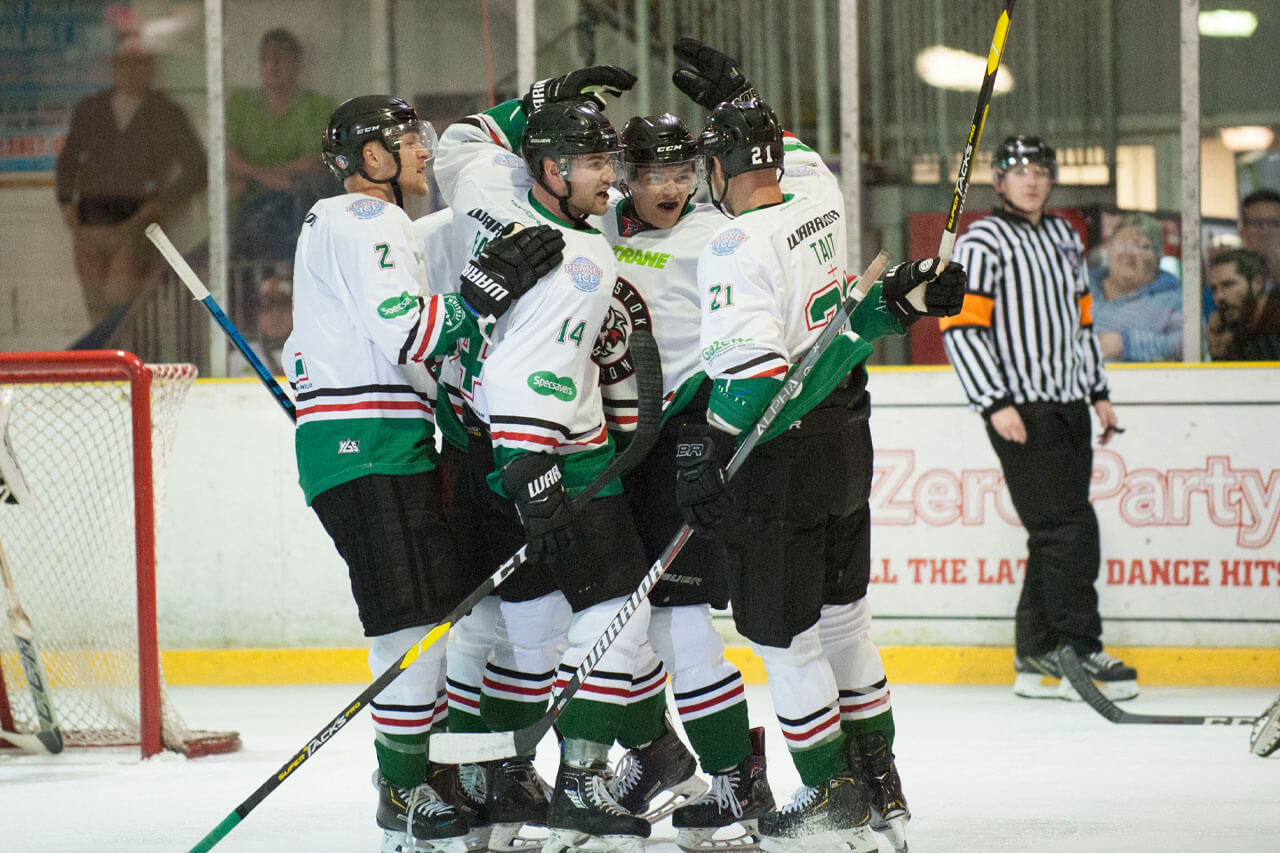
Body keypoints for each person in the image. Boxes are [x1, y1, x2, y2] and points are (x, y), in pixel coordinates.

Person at [668, 39, 964, 853]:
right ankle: (882, 787)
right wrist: (895, 305)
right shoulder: (821, 202)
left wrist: (709, 449)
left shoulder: (732, 245)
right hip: (847, 442)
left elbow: (756, 382)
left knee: (781, 638)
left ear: (723, 168)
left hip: (785, 460)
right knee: (846, 622)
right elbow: (854, 316)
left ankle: (831, 792)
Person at [284, 94, 562, 853]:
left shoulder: (339, 225)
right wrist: (484, 294)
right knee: (411, 631)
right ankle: (404, 795)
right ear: (369, 160)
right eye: (406, 141)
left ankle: (426, 781)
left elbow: (296, 354)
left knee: (434, 624)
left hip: (371, 444)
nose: (421, 152)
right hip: (367, 448)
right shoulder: (366, 221)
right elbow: (410, 331)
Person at [432, 67, 669, 850]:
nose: (615, 177)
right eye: (599, 164)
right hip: (548, 452)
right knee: (617, 611)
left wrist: (538, 103)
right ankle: (581, 780)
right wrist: (533, 464)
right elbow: (522, 373)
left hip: (473, 439)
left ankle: (497, 791)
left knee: (522, 632)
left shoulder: (486, 185)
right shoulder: (582, 256)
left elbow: (462, 140)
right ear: (554, 171)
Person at [595, 111, 772, 847]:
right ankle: (655, 757)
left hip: (687, 441)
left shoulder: (717, 237)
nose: (669, 188)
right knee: (613, 623)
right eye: (652, 175)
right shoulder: (595, 230)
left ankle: (738, 776)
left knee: (679, 621)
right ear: (625, 178)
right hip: (611, 450)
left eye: (680, 173)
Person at [940, 134, 1139, 706]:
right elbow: (961, 327)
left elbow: (1082, 322)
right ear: (998, 181)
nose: (1031, 179)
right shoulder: (984, 241)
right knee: (1070, 529)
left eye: (1041, 170)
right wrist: (993, 402)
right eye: (1018, 170)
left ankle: (1035, 654)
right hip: (1020, 407)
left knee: (1052, 532)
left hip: (1070, 401)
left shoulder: (1062, 235)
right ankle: (1079, 648)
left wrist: (1098, 391)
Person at [54, 30, 207, 332]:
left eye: (138, 63)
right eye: (124, 62)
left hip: (135, 221)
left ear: (150, 67)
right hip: (89, 221)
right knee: (97, 304)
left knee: (121, 298)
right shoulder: (91, 109)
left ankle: (128, 361)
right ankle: (107, 367)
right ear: (114, 66)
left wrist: (162, 204)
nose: (130, 70)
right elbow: (68, 160)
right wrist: (65, 202)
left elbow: (197, 168)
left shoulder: (165, 113)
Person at [226, 28, 336, 261]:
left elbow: (311, 163)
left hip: (296, 207)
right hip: (246, 208)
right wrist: (266, 177)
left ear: (296, 64)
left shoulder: (317, 106)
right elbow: (224, 157)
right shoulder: (240, 103)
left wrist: (252, 175)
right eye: (265, 58)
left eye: (280, 58)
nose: (272, 66)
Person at [1087, 211, 1182, 362]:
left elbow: (1191, 343)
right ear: (1108, 250)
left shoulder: (1172, 299)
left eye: (1142, 246)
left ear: (1157, 259)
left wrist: (1127, 345)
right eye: (1122, 243)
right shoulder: (1080, 287)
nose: (1129, 252)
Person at [1205, 249, 1280, 360]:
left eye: (1228, 285)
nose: (1219, 297)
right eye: (1214, 289)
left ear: (1257, 283)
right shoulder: (1236, 329)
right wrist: (1220, 354)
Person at [1239, 188, 1280, 292]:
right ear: (1243, 230)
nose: (1265, 231)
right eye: (1256, 223)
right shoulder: (1224, 280)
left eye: (1273, 223)